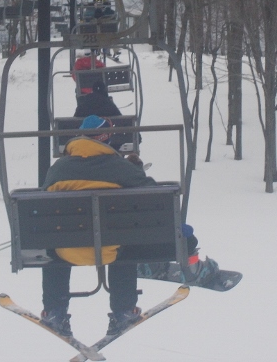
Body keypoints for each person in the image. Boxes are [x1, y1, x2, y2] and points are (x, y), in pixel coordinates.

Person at [39, 115, 218, 338]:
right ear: (105, 137)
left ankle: (55, 311)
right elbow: (156, 200)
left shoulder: (58, 169)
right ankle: (123, 310)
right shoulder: (120, 167)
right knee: (122, 239)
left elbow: (43, 207)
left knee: (55, 239)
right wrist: (137, 171)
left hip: (65, 251)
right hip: (112, 251)